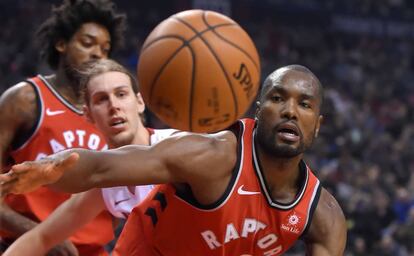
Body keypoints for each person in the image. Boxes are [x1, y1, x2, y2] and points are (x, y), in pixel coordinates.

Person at [1, 65, 347, 255]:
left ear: (317, 125)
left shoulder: (323, 218)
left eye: (304, 104)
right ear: (258, 110)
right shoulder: (210, 156)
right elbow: (102, 167)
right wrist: (46, 171)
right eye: (277, 98)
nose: (289, 111)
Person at [3, 59, 176, 256]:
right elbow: (41, 238)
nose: (114, 105)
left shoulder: (176, 145)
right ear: (88, 115)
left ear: (139, 102)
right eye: (101, 99)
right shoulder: (104, 179)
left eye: (121, 94)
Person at [0, 0, 126, 255]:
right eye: (87, 43)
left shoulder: (112, 112)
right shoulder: (25, 100)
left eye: (105, 49)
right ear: (61, 44)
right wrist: (41, 236)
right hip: (26, 247)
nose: (97, 54)